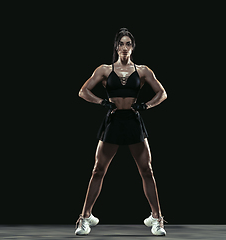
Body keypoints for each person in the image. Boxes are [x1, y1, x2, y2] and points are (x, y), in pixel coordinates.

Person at [76, 28, 168, 236]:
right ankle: (84, 218)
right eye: (121, 44)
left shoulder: (143, 70)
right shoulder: (104, 70)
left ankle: (157, 219)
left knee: (147, 170)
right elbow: (83, 91)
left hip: (133, 121)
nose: (124, 47)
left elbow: (162, 93)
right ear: (116, 47)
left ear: (132, 47)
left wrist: (146, 106)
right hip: (113, 121)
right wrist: (102, 102)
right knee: (98, 170)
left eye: (128, 44)